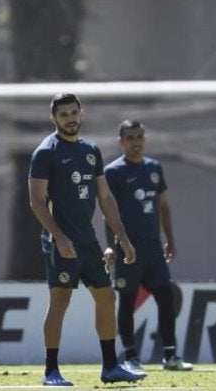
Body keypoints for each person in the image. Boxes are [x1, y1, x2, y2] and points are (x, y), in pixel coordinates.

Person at [28, 93, 147, 386]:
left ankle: (110, 367)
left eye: (73, 112)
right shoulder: (46, 152)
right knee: (60, 300)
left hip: (87, 241)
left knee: (106, 297)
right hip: (61, 242)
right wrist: (59, 237)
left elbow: (105, 197)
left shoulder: (91, 150)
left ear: (82, 113)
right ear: (53, 118)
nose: (70, 118)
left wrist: (123, 239)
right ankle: (51, 371)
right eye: (63, 114)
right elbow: (36, 201)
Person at [102, 120, 192, 372]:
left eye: (139, 136)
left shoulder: (154, 168)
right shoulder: (113, 171)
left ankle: (170, 356)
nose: (136, 141)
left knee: (165, 297)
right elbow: (108, 213)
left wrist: (170, 240)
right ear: (121, 141)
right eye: (130, 137)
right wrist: (111, 246)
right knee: (127, 301)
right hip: (127, 249)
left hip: (153, 248)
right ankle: (131, 355)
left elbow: (163, 206)